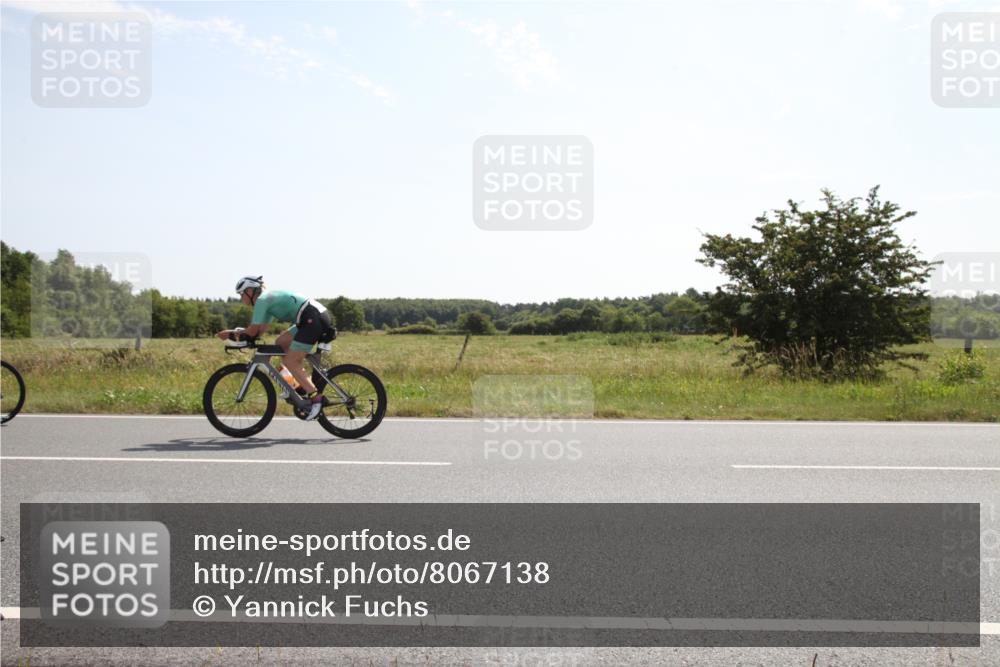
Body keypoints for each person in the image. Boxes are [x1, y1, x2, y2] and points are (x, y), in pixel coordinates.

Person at [216, 276, 331, 420]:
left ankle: (316, 398)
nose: (241, 298)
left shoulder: (262, 301)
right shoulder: (267, 301)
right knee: (281, 342)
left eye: (241, 294)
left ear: (250, 291)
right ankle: (297, 387)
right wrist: (244, 336)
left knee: (291, 361)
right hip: (311, 317)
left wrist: (230, 333)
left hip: (312, 318)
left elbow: (252, 331)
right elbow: (259, 330)